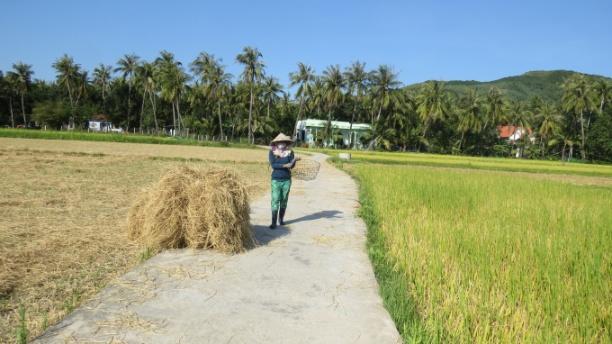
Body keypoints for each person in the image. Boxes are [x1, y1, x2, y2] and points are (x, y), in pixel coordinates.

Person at [268, 133, 300, 229]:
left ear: (286, 143)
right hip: (276, 179)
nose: (281, 144)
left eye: (283, 142)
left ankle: (281, 220)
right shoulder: (272, 152)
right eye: (279, 142)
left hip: (286, 179)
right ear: (276, 143)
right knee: (275, 199)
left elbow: (292, 166)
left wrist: (294, 160)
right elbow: (273, 165)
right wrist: (285, 165)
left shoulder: (290, 152)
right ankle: (273, 222)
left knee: (284, 200)